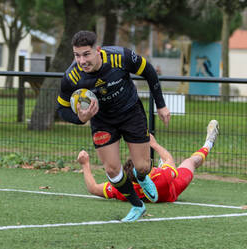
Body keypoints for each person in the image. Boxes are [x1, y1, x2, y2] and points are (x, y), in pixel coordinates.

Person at [57, 30, 170, 222]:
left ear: (98, 50)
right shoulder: (71, 77)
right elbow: (61, 108)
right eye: (77, 55)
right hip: (103, 120)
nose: (82, 60)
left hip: (131, 113)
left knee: (142, 166)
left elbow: (149, 71)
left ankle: (141, 177)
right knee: (112, 169)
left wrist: (161, 104)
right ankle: (137, 205)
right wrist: (81, 118)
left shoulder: (121, 57)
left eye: (86, 54)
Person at [77, 120, 219, 215]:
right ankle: (208, 143)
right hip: (172, 189)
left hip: (155, 188)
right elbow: (169, 159)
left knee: (168, 164)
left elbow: (93, 188)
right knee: (190, 162)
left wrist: (85, 164)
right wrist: (154, 144)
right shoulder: (160, 177)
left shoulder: (121, 187)